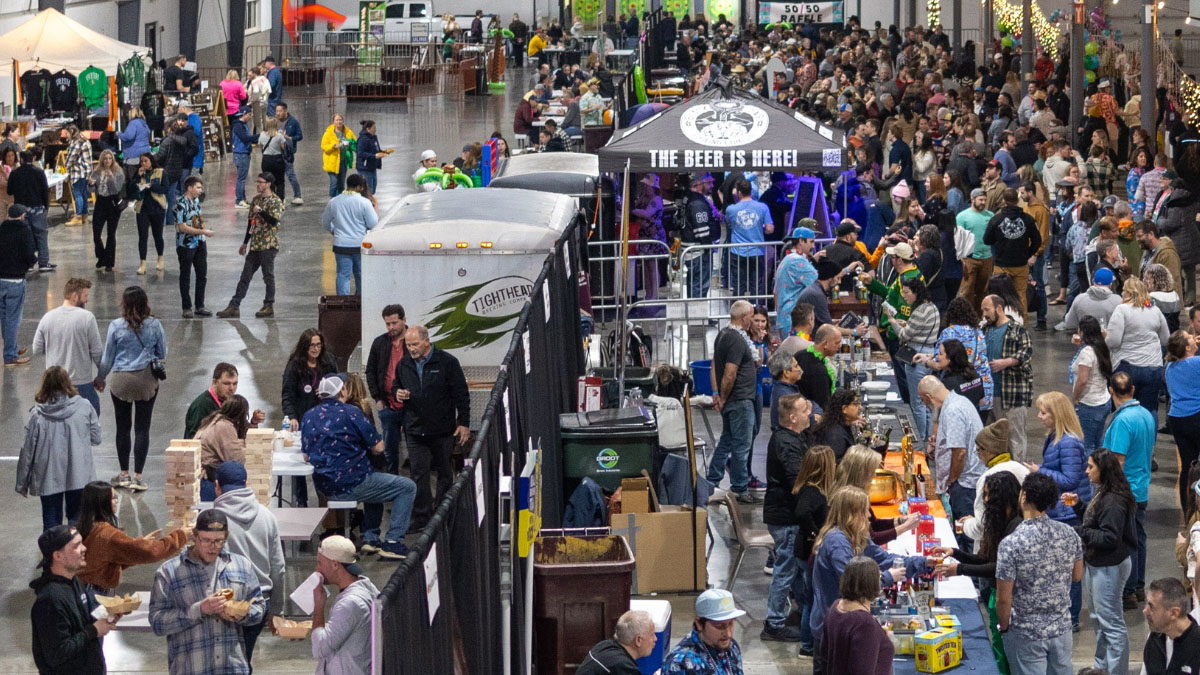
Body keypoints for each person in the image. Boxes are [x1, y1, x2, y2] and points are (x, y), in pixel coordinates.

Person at [811, 486, 928, 673]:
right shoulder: (837, 543)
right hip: (835, 625)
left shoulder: (855, 535)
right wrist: (888, 577)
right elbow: (854, 583)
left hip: (841, 624)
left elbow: (884, 559)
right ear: (852, 514)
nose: (868, 516)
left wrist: (923, 563)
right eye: (865, 511)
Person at [304, 375, 417, 560]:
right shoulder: (352, 412)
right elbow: (378, 448)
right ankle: (393, 542)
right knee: (407, 487)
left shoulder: (309, 416)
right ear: (342, 391)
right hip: (352, 483)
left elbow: (306, 455)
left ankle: (371, 538)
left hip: (325, 488)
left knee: (375, 480)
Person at [149, 509, 265, 675]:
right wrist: (199, 610)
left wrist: (241, 614)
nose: (212, 547)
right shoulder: (169, 572)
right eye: (206, 540)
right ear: (195, 537)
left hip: (231, 669)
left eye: (218, 541)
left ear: (226, 537)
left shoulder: (242, 566)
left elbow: (259, 607)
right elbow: (157, 623)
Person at [995, 472, 1083, 675]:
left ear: (1023, 496)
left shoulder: (1011, 544)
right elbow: (1077, 575)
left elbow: (1003, 598)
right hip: (1061, 629)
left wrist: (1004, 627)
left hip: (1026, 633)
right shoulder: (1069, 533)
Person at [1060, 449, 1136, 675]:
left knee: (1111, 623)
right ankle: (1101, 668)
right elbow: (1099, 521)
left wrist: (1078, 531)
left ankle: (1117, 671)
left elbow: (1110, 537)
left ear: (1103, 469)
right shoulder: (1105, 492)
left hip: (1109, 566)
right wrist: (1079, 506)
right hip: (1099, 564)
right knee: (1099, 619)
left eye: (1091, 466)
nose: (1087, 471)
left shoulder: (1113, 500)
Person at [392, 325, 470, 529]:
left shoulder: (447, 362)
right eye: (408, 345)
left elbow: (461, 394)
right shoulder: (404, 365)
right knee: (418, 474)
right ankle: (421, 518)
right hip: (415, 430)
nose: (411, 349)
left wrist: (464, 423)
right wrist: (397, 393)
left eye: (415, 344)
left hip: (442, 430)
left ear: (427, 341)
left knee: (444, 473)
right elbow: (396, 386)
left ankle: (442, 516)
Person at [211, 462, 283, 663]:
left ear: (217, 486)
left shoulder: (212, 521)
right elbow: (278, 567)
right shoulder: (267, 516)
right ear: (245, 484)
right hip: (259, 602)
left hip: (223, 604)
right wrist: (276, 610)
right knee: (243, 659)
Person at [96, 286, 166, 492]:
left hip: (121, 380)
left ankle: (124, 474)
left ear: (124, 304)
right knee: (142, 428)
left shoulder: (116, 326)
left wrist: (100, 378)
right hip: (146, 380)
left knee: (123, 427)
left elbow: (108, 358)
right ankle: (138, 477)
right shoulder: (155, 325)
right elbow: (162, 352)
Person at [16, 366, 102, 531]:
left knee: (51, 524)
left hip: (48, 476)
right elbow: (96, 438)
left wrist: (22, 483)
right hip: (79, 474)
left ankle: (54, 548)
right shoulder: (85, 407)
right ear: (67, 383)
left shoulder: (37, 415)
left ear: (44, 385)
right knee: (77, 523)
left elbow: (27, 451)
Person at [74, 479, 189, 595]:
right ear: (103, 503)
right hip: (95, 594)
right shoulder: (107, 534)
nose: (116, 501)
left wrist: (138, 544)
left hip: (81, 590)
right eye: (113, 498)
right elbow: (149, 552)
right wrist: (181, 536)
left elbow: (111, 557)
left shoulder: (83, 527)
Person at [1101, 371, 1156, 610]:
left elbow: (1117, 461)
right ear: (1132, 390)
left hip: (1125, 491)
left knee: (1127, 541)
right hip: (1141, 487)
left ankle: (1129, 590)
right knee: (1139, 537)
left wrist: (1109, 492)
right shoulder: (1146, 415)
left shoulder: (1122, 421)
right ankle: (1140, 585)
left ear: (1110, 391)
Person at [761, 393, 812, 643]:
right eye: (804, 411)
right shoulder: (786, 443)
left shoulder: (793, 438)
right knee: (786, 568)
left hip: (786, 514)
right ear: (792, 417)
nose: (809, 414)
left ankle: (803, 609)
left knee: (797, 568)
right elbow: (797, 482)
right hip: (785, 517)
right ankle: (774, 623)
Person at [30, 524, 114, 675]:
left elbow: (83, 620)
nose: (84, 548)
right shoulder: (49, 600)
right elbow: (57, 653)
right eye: (76, 546)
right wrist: (93, 631)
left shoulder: (74, 581)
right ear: (58, 556)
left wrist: (110, 614)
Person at [706, 300, 759, 503]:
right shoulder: (736, 339)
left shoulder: (723, 334)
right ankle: (739, 488)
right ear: (744, 317)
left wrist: (717, 394)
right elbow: (730, 373)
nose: (753, 320)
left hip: (732, 400)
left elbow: (714, 366)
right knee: (741, 445)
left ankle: (712, 481)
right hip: (740, 400)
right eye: (751, 316)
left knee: (727, 440)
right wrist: (723, 397)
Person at [918, 376, 985, 526]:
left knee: (964, 531)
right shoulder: (958, 401)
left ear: (929, 397)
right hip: (965, 482)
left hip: (965, 485)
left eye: (923, 401)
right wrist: (940, 443)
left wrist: (952, 480)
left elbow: (960, 452)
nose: (925, 405)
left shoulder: (953, 410)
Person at [860, 242, 923, 403]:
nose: (891, 260)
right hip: (904, 334)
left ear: (899, 260)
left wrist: (892, 330)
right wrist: (872, 284)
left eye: (892, 257)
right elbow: (890, 294)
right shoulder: (912, 273)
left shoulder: (906, 280)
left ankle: (908, 407)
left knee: (903, 375)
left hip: (900, 336)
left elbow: (905, 310)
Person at [309, 535, 380, 674]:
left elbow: (319, 648)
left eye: (320, 563)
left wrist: (318, 606)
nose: (317, 569)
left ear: (335, 564)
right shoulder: (368, 587)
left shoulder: (349, 604)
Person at [217, 174, 284, 319]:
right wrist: (245, 243)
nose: (258, 185)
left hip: (268, 245)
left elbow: (274, 222)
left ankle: (269, 305)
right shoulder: (255, 200)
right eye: (257, 182)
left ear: (269, 184)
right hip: (255, 245)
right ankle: (234, 306)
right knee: (245, 276)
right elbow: (251, 223)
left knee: (268, 276)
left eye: (261, 182)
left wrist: (261, 211)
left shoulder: (276, 201)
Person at [33, 278, 103, 414]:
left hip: (54, 384)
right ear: (75, 296)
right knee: (89, 420)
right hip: (82, 384)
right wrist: (101, 377)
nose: (87, 300)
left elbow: (36, 349)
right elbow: (97, 353)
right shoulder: (87, 318)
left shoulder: (47, 317)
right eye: (85, 296)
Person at [1106, 278, 1170, 426]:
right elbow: (1165, 339)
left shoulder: (1122, 310)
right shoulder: (1155, 310)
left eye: (1123, 290)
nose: (1122, 293)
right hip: (1153, 367)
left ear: (1129, 293)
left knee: (1123, 408)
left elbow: (1114, 341)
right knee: (1150, 410)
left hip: (1127, 366)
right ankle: (1148, 439)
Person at [821, 555, 894, 674]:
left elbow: (824, 654)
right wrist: (873, 632)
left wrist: (878, 635)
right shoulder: (864, 624)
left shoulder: (835, 607)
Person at [982, 294, 1034, 460]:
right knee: (991, 440)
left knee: (1014, 440)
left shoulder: (1018, 330)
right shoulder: (985, 330)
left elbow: (1026, 353)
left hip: (1012, 396)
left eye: (987, 310)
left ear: (999, 308)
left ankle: (1017, 472)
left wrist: (1006, 362)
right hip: (990, 396)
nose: (984, 314)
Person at [984, 188, 1042, 325]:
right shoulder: (1028, 219)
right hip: (1021, 264)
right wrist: (1028, 253)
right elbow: (1037, 240)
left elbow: (987, 240)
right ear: (1017, 200)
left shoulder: (996, 219)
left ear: (1003, 201)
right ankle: (1023, 325)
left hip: (1001, 264)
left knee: (1000, 296)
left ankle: (999, 324)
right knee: (1021, 296)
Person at [895, 278, 940, 441]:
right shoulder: (932, 307)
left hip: (917, 356)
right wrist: (907, 323)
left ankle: (919, 439)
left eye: (907, 292)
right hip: (929, 353)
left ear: (916, 292)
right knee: (927, 401)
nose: (904, 296)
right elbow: (921, 328)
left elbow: (904, 335)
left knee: (917, 402)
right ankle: (927, 437)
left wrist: (893, 322)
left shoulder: (919, 311)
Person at [365, 304, 407, 473]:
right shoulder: (380, 343)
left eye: (394, 323)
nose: (391, 327)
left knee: (415, 449)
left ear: (404, 320)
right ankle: (393, 481)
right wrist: (377, 398)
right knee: (389, 450)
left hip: (411, 406)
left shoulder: (413, 341)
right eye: (387, 324)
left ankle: (415, 485)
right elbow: (370, 371)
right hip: (388, 406)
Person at [663, 589, 746, 674]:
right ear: (699, 624)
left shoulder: (731, 646)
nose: (728, 634)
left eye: (731, 623)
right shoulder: (680, 663)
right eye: (719, 626)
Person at [322, 173, 379, 296]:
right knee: (360, 274)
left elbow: (325, 221)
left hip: (341, 245)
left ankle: (343, 302)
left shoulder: (334, 201)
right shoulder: (364, 202)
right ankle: (362, 301)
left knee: (343, 275)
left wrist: (333, 230)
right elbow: (373, 223)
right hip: (359, 244)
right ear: (358, 187)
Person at [1071, 316, 1115, 454]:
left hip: (1088, 404)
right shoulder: (1102, 348)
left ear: (1083, 332)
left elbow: (1082, 380)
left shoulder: (1087, 352)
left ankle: (1090, 468)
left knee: (1088, 445)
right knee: (1099, 441)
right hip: (1103, 401)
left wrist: (1075, 398)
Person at [724, 177, 773, 298]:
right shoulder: (763, 207)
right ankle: (755, 308)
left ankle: (738, 308)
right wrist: (760, 229)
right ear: (751, 191)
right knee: (755, 286)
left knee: (738, 285)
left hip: (738, 252)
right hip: (757, 251)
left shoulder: (731, 209)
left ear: (738, 192)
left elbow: (729, 223)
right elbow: (770, 229)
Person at [1167, 330, 1200, 510]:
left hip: (1177, 418)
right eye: (1190, 338)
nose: (1193, 338)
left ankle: (1187, 508)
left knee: (1187, 465)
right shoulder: (1195, 363)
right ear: (1187, 348)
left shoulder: (1169, 367)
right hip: (1196, 417)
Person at [0, 204, 36, 366]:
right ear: (22, 216)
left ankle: (11, 347)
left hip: (1, 279)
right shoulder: (24, 231)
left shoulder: (1, 229)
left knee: (4, 317)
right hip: (16, 280)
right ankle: (10, 355)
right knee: (13, 319)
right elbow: (29, 253)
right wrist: (30, 264)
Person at [195, 395, 250, 500]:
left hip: (203, 477)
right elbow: (236, 460)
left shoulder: (213, 420)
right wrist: (246, 448)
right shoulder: (224, 426)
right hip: (209, 480)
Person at [173, 175, 213, 319]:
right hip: (186, 245)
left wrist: (203, 229)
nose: (201, 190)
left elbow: (197, 217)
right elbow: (182, 227)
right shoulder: (180, 204)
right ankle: (186, 307)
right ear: (189, 188)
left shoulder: (195, 201)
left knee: (202, 274)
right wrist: (203, 232)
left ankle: (200, 305)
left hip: (199, 243)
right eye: (198, 187)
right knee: (185, 276)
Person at [1142, 576, 1200, 674]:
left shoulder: (1197, 644)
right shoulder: (1154, 638)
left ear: (1174, 613)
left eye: (1151, 606)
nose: (1145, 611)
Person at [8, 151, 52, 271]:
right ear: (32, 159)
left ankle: (29, 263)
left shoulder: (15, 173)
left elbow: (9, 191)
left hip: (21, 210)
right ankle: (43, 262)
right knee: (41, 234)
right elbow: (45, 191)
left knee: (26, 236)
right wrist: (46, 206)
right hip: (37, 208)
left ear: (21, 159)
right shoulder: (39, 172)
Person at [577, 610, 658, 675]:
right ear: (638, 640)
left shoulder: (603, 646)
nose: (655, 639)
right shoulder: (623, 667)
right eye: (652, 635)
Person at [956, 188, 995, 309]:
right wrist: (961, 257)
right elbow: (958, 238)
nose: (983, 202)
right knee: (966, 290)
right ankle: (965, 315)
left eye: (985, 200)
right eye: (980, 200)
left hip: (987, 258)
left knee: (983, 291)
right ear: (972, 199)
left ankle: (980, 316)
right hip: (970, 259)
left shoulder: (990, 216)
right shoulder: (962, 217)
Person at [131, 153, 167, 275]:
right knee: (142, 237)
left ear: (151, 161)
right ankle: (143, 263)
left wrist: (152, 186)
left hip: (157, 208)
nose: (143, 163)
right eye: (141, 161)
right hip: (142, 209)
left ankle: (160, 258)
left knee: (158, 235)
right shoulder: (138, 174)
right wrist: (137, 177)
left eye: (145, 161)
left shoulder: (160, 172)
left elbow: (165, 189)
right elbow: (131, 190)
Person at [86, 150, 122, 272]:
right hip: (100, 202)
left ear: (113, 160)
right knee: (96, 234)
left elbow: (117, 189)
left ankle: (109, 262)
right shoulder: (96, 172)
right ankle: (101, 257)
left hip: (112, 203)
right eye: (105, 158)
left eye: (110, 158)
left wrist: (111, 177)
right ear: (102, 160)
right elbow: (90, 190)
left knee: (111, 234)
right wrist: (91, 184)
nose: (107, 161)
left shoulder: (118, 172)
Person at [794, 324, 840, 414]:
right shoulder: (820, 372)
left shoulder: (799, 354)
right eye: (837, 343)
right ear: (825, 344)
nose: (839, 346)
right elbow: (824, 407)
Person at [811, 390, 860, 460]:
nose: (860, 407)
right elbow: (835, 463)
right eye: (856, 404)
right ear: (844, 409)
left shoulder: (839, 426)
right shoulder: (836, 434)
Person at [62, 125, 92, 227]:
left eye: (67, 133)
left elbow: (71, 158)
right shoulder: (84, 140)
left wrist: (66, 167)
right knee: (83, 194)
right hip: (85, 172)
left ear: (71, 132)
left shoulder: (77, 143)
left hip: (79, 172)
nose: (66, 136)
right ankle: (84, 216)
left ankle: (78, 216)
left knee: (78, 194)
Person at [321, 113, 356, 198]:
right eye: (337, 120)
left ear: (343, 121)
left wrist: (349, 143)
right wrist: (333, 146)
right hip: (332, 163)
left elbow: (355, 144)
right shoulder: (328, 133)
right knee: (334, 182)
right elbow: (324, 146)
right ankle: (332, 200)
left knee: (341, 184)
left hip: (343, 162)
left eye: (340, 120)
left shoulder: (348, 132)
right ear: (333, 121)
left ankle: (340, 200)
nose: (339, 122)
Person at [354, 120, 388, 195]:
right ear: (368, 129)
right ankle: (366, 202)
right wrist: (374, 156)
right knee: (367, 191)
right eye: (374, 128)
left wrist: (383, 152)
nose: (375, 130)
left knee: (373, 190)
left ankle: (369, 201)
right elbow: (360, 153)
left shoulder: (374, 137)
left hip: (372, 167)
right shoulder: (363, 139)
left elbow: (376, 150)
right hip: (365, 168)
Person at [257, 118, 288, 199]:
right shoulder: (279, 135)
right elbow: (283, 147)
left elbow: (260, 146)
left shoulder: (262, 135)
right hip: (278, 159)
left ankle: (269, 199)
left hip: (266, 160)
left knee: (268, 181)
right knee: (280, 181)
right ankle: (280, 200)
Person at [230, 107, 255, 208]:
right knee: (241, 179)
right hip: (241, 154)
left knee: (242, 178)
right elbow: (245, 138)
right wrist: (258, 136)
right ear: (244, 114)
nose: (250, 116)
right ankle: (239, 200)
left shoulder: (243, 125)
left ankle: (242, 199)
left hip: (243, 153)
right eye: (249, 114)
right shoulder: (238, 126)